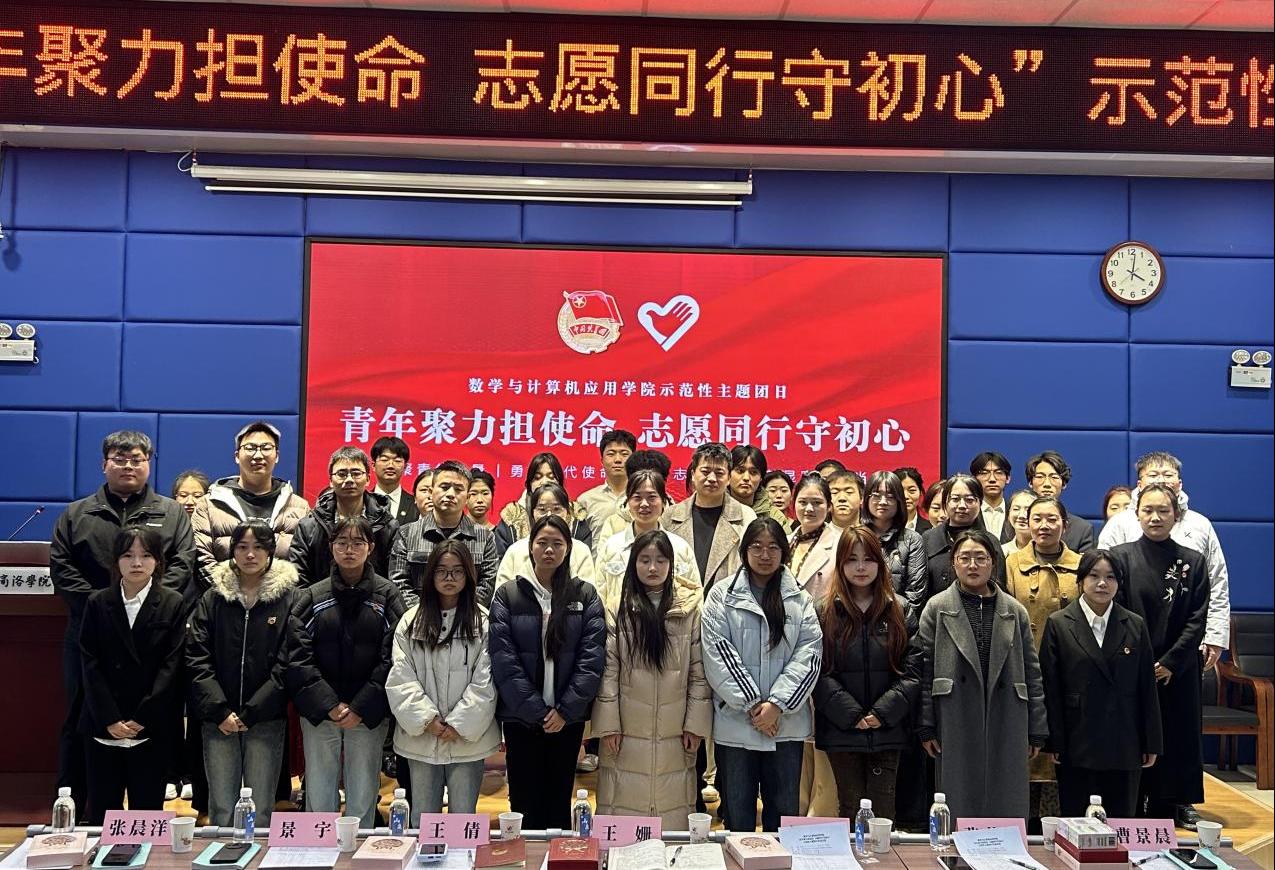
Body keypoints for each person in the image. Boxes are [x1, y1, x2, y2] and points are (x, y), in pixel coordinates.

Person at [50, 430, 194, 810]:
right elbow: (62, 568)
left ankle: (150, 810)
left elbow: (182, 564)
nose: (128, 465)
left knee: (155, 718)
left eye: (137, 459)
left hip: (155, 635)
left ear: (149, 464)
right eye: (119, 458)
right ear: (104, 464)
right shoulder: (77, 514)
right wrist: (105, 609)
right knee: (82, 716)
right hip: (91, 634)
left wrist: (150, 606)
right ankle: (79, 811)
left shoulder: (171, 513)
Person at [915, 530, 1048, 819]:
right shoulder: (937, 608)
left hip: (1008, 714)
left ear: (993, 563)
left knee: (1006, 796)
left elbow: (1032, 672)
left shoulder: (1015, 610)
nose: (972, 565)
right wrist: (926, 725)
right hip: (954, 715)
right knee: (958, 795)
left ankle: (1004, 846)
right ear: (953, 563)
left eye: (981, 558)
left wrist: (1037, 727)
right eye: (964, 558)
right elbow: (924, 671)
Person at [701, 517, 823, 832]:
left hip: (786, 725)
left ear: (784, 552)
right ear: (744, 551)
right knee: (737, 817)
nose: (765, 555)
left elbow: (809, 655)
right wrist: (755, 705)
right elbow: (718, 654)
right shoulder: (721, 595)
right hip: (736, 724)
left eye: (773, 548)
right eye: (756, 547)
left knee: (783, 818)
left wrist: (777, 706)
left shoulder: (800, 599)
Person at [488, 515, 607, 831]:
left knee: (559, 800)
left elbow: (592, 658)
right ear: (530, 547)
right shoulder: (508, 594)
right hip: (521, 719)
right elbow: (503, 659)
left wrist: (566, 710)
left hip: (567, 720)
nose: (549, 550)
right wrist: (536, 711)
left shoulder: (585, 595)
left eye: (557, 543)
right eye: (542, 543)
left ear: (568, 548)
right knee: (524, 801)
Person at [290, 516, 406, 826]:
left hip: (367, 712)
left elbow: (395, 657)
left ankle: (360, 846)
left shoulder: (387, 595)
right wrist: (328, 704)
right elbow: (298, 658)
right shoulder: (313, 596)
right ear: (331, 548)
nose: (349, 550)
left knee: (363, 790)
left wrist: (360, 706)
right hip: (320, 712)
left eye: (357, 543)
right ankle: (320, 847)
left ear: (371, 547)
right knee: (319, 790)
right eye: (342, 543)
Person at [187, 519, 302, 829]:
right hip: (218, 719)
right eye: (242, 547)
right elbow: (197, 657)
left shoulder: (290, 598)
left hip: (265, 718)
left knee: (261, 808)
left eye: (258, 547)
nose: (250, 554)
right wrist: (219, 710)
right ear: (232, 551)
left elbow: (289, 661)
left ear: (271, 551)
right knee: (222, 807)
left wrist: (255, 710)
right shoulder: (213, 597)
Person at [592, 529, 711, 827]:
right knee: (623, 801)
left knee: (673, 803)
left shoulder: (689, 609)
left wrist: (695, 724)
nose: (653, 568)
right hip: (627, 725)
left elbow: (699, 671)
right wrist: (609, 725)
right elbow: (608, 670)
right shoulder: (617, 607)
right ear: (633, 563)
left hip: (676, 726)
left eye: (661, 560)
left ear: (672, 564)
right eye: (644, 560)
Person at [1109, 484, 1210, 827]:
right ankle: (1133, 800)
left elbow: (1197, 617)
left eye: (1163, 510)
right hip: (1132, 664)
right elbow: (1116, 612)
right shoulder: (1120, 557)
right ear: (1136, 514)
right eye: (1148, 510)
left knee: (1179, 734)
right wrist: (1138, 663)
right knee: (1135, 733)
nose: (1155, 517)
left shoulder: (1193, 561)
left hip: (1178, 666)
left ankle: (1177, 802)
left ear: (1176, 515)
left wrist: (1170, 662)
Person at [1039, 549, 1162, 818]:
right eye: (1094, 576)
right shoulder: (1059, 623)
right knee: (1076, 820)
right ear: (1081, 579)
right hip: (1077, 739)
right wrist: (1053, 741)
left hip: (1124, 740)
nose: (1102, 583)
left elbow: (1147, 688)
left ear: (1119, 582)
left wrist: (1151, 741)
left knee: (1120, 822)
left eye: (1110, 577)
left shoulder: (1135, 624)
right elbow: (1051, 688)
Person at [77, 528, 186, 824]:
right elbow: (89, 664)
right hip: (103, 722)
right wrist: (110, 718)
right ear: (116, 561)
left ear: (158, 561)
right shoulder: (98, 602)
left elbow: (171, 666)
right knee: (103, 813)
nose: (137, 563)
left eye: (146, 555)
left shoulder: (172, 602)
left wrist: (142, 717)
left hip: (151, 723)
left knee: (147, 813)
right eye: (128, 555)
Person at [387, 541, 500, 819]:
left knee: (463, 818)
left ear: (468, 575)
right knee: (423, 818)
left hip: (468, 739)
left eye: (457, 571)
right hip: (422, 737)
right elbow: (401, 676)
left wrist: (459, 723)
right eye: (441, 571)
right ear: (430, 575)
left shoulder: (483, 622)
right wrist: (427, 720)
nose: (449, 578)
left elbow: (486, 679)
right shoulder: (410, 621)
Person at [813, 527, 919, 821]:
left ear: (880, 563)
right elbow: (815, 669)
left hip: (888, 727)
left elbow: (914, 669)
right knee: (849, 807)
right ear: (840, 563)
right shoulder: (823, 611)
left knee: (883, 810)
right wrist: (851, 714)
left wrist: (882, 713)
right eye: (852, 559)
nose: (860, 567)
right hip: (841, 728)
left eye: (868, 559)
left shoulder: (901, 609)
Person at [1099, 452, 1230, 675]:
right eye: (1153, 474)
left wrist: (1215, 636)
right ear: (1139, 484)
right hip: (1130, 643)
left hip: (1185, 643)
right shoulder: (1119, 524)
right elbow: (1104, 582)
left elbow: (1217, 582)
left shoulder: (1200, 524)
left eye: (1168, 474)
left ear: (1180, 483)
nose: (1160, 479)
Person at [1002, 495, 1081, 818]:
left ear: (1065, 524)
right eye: (1037, 519)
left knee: (1061, 751)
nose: (1044, 526)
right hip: (1023, 668)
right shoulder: (1011, 563)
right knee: (1025, 749)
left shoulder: (1082, 565)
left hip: (1069, 673)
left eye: (1052, 519)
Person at [192, 421, 310, 596]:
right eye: (250, 448)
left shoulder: (300, 507)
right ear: (237, 456)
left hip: (283, 604)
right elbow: (201, 559)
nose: (258, 455)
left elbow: (305, 563)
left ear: (277, 455)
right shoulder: (209, 504)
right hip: (223, 604)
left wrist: (277, 598)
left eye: (266, 448)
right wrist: (234, 596)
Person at [389, 460, 500, 607]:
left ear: (467, 497)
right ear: (431, 491)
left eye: (458, 489)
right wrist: (425, 614)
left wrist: (458, 614)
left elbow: (487, 585)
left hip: (467, 617)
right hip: (418, 617)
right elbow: (399, 583)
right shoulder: (406, 534)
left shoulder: (485, 537)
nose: (450, 494)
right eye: (444, 487)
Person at [288, 447, 397, 586]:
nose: (349, 480)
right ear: (330, 480)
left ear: (368, 479)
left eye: (356, 473)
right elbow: (298, 578)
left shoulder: (387, 525)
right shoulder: (308, 526)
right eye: (342, 474)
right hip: (318, 598)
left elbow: (394, 577)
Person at [595, 470, 699, 609]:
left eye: (652, 497)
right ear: (628, 502)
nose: (644, 504)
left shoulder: (680, 547)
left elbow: (696, 596)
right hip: (621, 622)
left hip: (672, 622)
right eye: (637, 497)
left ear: (663, 502)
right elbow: (599, 597)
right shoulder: (611, 547)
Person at [664, 443, 757, 590]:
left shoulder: (746, 516)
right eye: (705, 471)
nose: (712, 478)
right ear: (693, 474)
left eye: (719, 473)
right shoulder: (670, 516)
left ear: (728, 478)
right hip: (680, 601)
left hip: (728, 601)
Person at [921, 475, 1005, 604]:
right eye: (955, 499)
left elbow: (998, 589)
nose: (962, 505)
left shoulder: (990, 541)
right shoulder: (928, 538)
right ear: (945, 503)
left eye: (969, 500)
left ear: (980, 503)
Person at [496, 482, 597, 588]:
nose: (549, 515)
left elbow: (588, 594)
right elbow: (502, 594)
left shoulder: (581, 550)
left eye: (556, 509)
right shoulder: (515, 551)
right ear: (532, 513)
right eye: (542, 510)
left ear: (568, 514)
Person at [862, 471, 926, 627]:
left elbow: (915, 594)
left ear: (899, 501)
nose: (883, 502)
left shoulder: (912, 540)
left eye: (890, 496)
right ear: (866, 499)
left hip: (898, 625)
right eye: (876, 495)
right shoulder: (855, 536)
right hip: (857, 624)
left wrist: (893, 624)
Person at [495, 452, 591, 552]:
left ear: (560, 483)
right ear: (529, 483)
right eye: (537, 477)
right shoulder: (512, 516)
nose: (544, 482)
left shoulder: (576, 517)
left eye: (551, 477)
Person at [593, 450, 676, 545]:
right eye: (639, 479)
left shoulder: (677, 519)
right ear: (630, 482)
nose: (646, 481)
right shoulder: (614, 523)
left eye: (653, 478)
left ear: (663, 482)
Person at [787, 474, 841, 604]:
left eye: (817, 503)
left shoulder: (840, 543)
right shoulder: (784, 541)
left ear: (829, 506)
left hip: (822, 614)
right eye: (803, 502)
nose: (809, 509)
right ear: (794, 504)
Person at [576, 430, 637, 545]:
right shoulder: (585, 500)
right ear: (602, 461)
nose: (618, 460)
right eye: (611, 454)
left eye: (624, 454)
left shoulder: (646, 499)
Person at [1024, 451, 1094, 552]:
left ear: (1064, 484)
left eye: (1054, 477)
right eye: (1040, 477)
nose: (1047, 484)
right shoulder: (1018, 522)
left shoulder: (1081, 529)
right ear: (1030, 483)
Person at [728, 445, 789, 524]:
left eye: (753, 472)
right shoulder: (716, 509)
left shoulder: (775, 517)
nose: (746, 478)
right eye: (740, 471)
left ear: (761, 478)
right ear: (728, 474)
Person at [372, 436, 419, 526]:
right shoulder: (362, 502)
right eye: (384, 460)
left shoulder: (415, 504)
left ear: (405, 467)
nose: (390, 465)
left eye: (397, 461)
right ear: (373, 465)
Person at [970, 452, 1012, 540]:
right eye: (984, 473)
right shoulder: (968, 513)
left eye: (998, 473)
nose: (992, 479)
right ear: (974, 479)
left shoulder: (1015, 512)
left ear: (1008, 478)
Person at [1000, 490, 1037, 558]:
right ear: (1008, 515)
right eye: (1016, 509)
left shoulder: (1050, 551)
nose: (1021, 515)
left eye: (1028, 510)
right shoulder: (1000, 552)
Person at [894, 467, 930, 534]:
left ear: (920, 493)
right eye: (900, 491)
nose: (906, 496)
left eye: (912, 490)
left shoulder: (930, 529)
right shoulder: (881, 527)